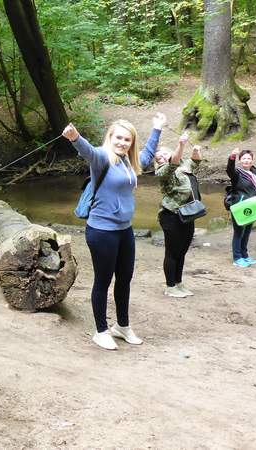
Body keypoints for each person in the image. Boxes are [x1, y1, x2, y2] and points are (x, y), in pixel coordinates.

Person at [62, 113, 165, 351]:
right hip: (102, 231)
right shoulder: (101, 158)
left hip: (124, 231)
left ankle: (122, 326)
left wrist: (156, 129)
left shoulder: (129, 161)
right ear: (110, 137)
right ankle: (101, 331)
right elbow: (86, 151)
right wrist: (75, 137)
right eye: (118, 138)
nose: (122, 142)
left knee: (125, 279)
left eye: (127, 140)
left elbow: (147, 156)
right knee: (103, 280)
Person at [154, 133, 202, 298]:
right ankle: (170, 286)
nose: (161, 158)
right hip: (171, 216)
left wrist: (195, 150)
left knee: (182, 251)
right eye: (158, 157)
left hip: (188, 213)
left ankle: (179, 283)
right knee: (172, 252)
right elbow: (172, 163)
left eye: (163, 154)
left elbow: (195, 161)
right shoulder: (162, 171)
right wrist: (181, 145)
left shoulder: (185, 165)